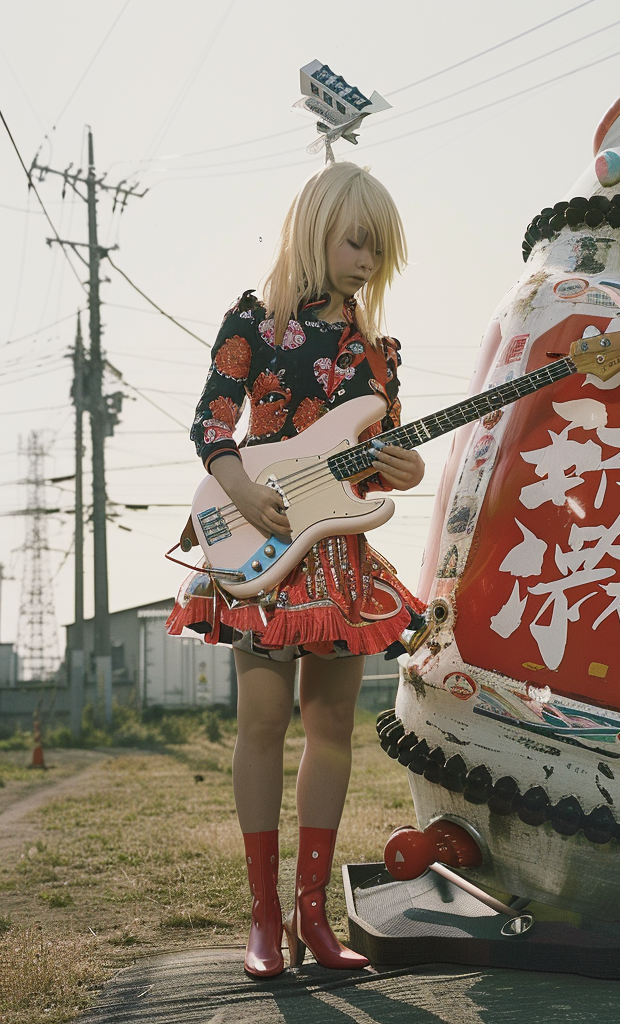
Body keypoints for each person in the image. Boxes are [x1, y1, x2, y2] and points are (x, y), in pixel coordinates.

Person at [167, 162, 425, 978]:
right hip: (262, 542)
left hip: (338, 556)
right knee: (261, 722)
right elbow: (214, 415)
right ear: (317, 230)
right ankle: (263, 917)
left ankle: (314, 915)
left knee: (332, 730)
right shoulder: (254, 321)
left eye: (378, 252)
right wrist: (237, 484)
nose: (366, 262)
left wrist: (403, 469)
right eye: (357, 242)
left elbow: (374, 464)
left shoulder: (376, 353)